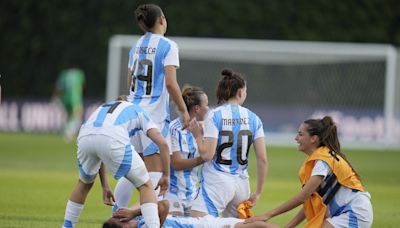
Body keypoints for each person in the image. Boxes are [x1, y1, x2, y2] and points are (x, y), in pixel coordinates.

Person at [113, 3, 190, 210]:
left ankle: (114, 216)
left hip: (132, 112)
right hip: (153, 116)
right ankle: (145, 219)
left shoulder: (135, 46)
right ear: (162, 19)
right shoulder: (168, 45)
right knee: (154, 174)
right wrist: (183, 111)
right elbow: (171, 83)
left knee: (134, 170)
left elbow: (130, 80)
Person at [245, 116, 373, 228]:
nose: (296, 138)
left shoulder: (322, 162)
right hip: (349, 211)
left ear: (314, 139)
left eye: (300, 134)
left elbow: (303, 196)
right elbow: (309, 201)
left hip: (354, 212)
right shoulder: (322, 158)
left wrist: (267, 215)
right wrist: (289, 226)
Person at [62, 98, 170, 228]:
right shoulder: (139, 111)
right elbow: (163, 144)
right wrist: (166, 175)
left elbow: (99, 149)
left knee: (83, 184)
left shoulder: (107, 106)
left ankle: (66, 226)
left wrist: (105, 186)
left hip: (85, 135)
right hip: (113, 137)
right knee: (145, 186)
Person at [189, 69, 268, 218]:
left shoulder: (214, 115)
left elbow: (207, 155)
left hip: (217, 182)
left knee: (197, 222)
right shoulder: (254, 118)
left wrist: (198, 136)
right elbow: (262, 159)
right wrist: (258, 192)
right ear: (239, 92)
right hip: (242, 185)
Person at [165, 85, 209, 217]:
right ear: (197, 108)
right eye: (206, 104)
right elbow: (176, 164)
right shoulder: (174, 129)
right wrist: (203, 158)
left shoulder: (206, 129)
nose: (208, 108)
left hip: (194, 195)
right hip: (173, 193)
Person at [103, 200, 278, 228]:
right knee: (256, 225)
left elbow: (146, 199)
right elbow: (164, 205)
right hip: (203, 226)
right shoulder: (147, 225)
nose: (120, 216)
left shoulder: (139, 218)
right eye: (118, 219)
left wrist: (132, 212)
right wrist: (134, 212)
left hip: (203, 222)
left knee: (253, 222)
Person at [53, 66, 85, 142]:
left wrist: (55, 96)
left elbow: (59, 87)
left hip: (65, 98)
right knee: (76, 115)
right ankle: (69, 133)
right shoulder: (79, 74)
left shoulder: (64, 74)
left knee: (68, 115)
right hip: (75, 99)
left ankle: (67, 131)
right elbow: (82, 86)